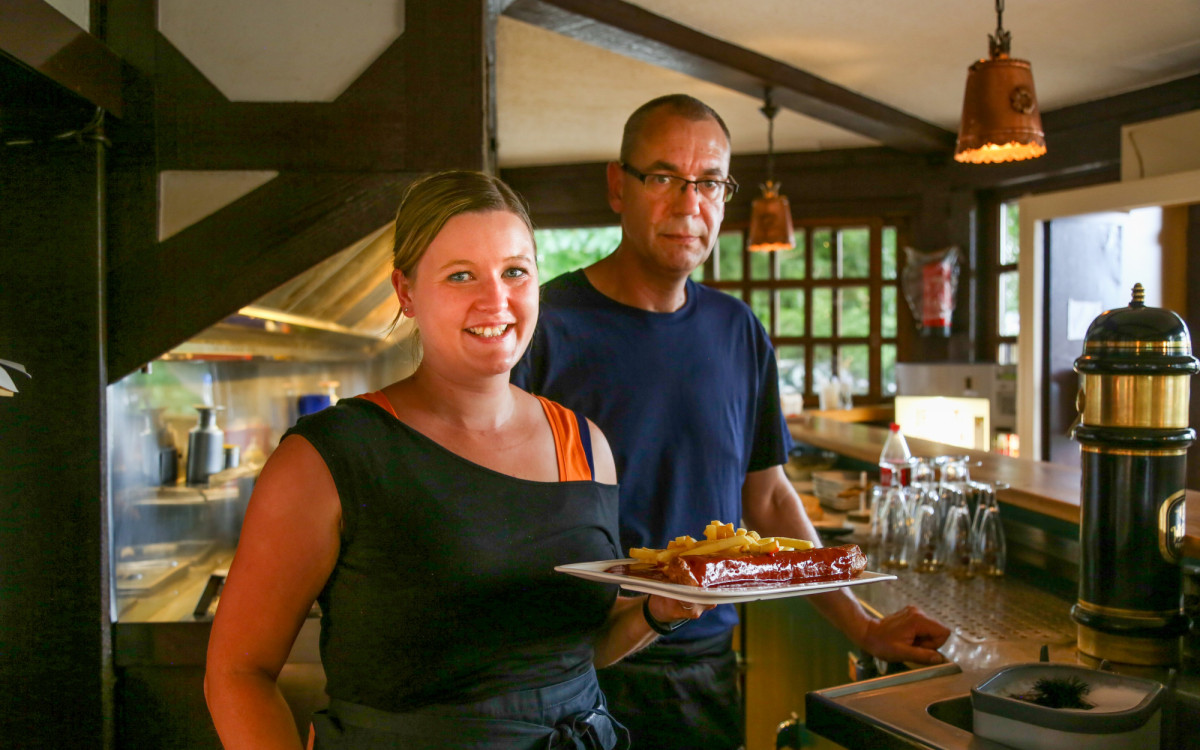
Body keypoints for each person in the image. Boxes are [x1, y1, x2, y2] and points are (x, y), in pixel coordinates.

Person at [204, 170, 711, 750]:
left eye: (515, 271)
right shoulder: (331, 456)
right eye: (461, 275)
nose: (496, 300)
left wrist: (660, 610)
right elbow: (238, 673)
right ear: (406, 292)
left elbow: (571, 653)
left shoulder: (583, 444)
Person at [512, 95, 951, 749]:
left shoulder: (738, 330)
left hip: (703, 664)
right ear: (617, 186)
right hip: (570, 673)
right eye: (664, 177)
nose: (689, 204)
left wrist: (862, 626)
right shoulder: (545, 328)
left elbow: (767, 499)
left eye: (710, 182)